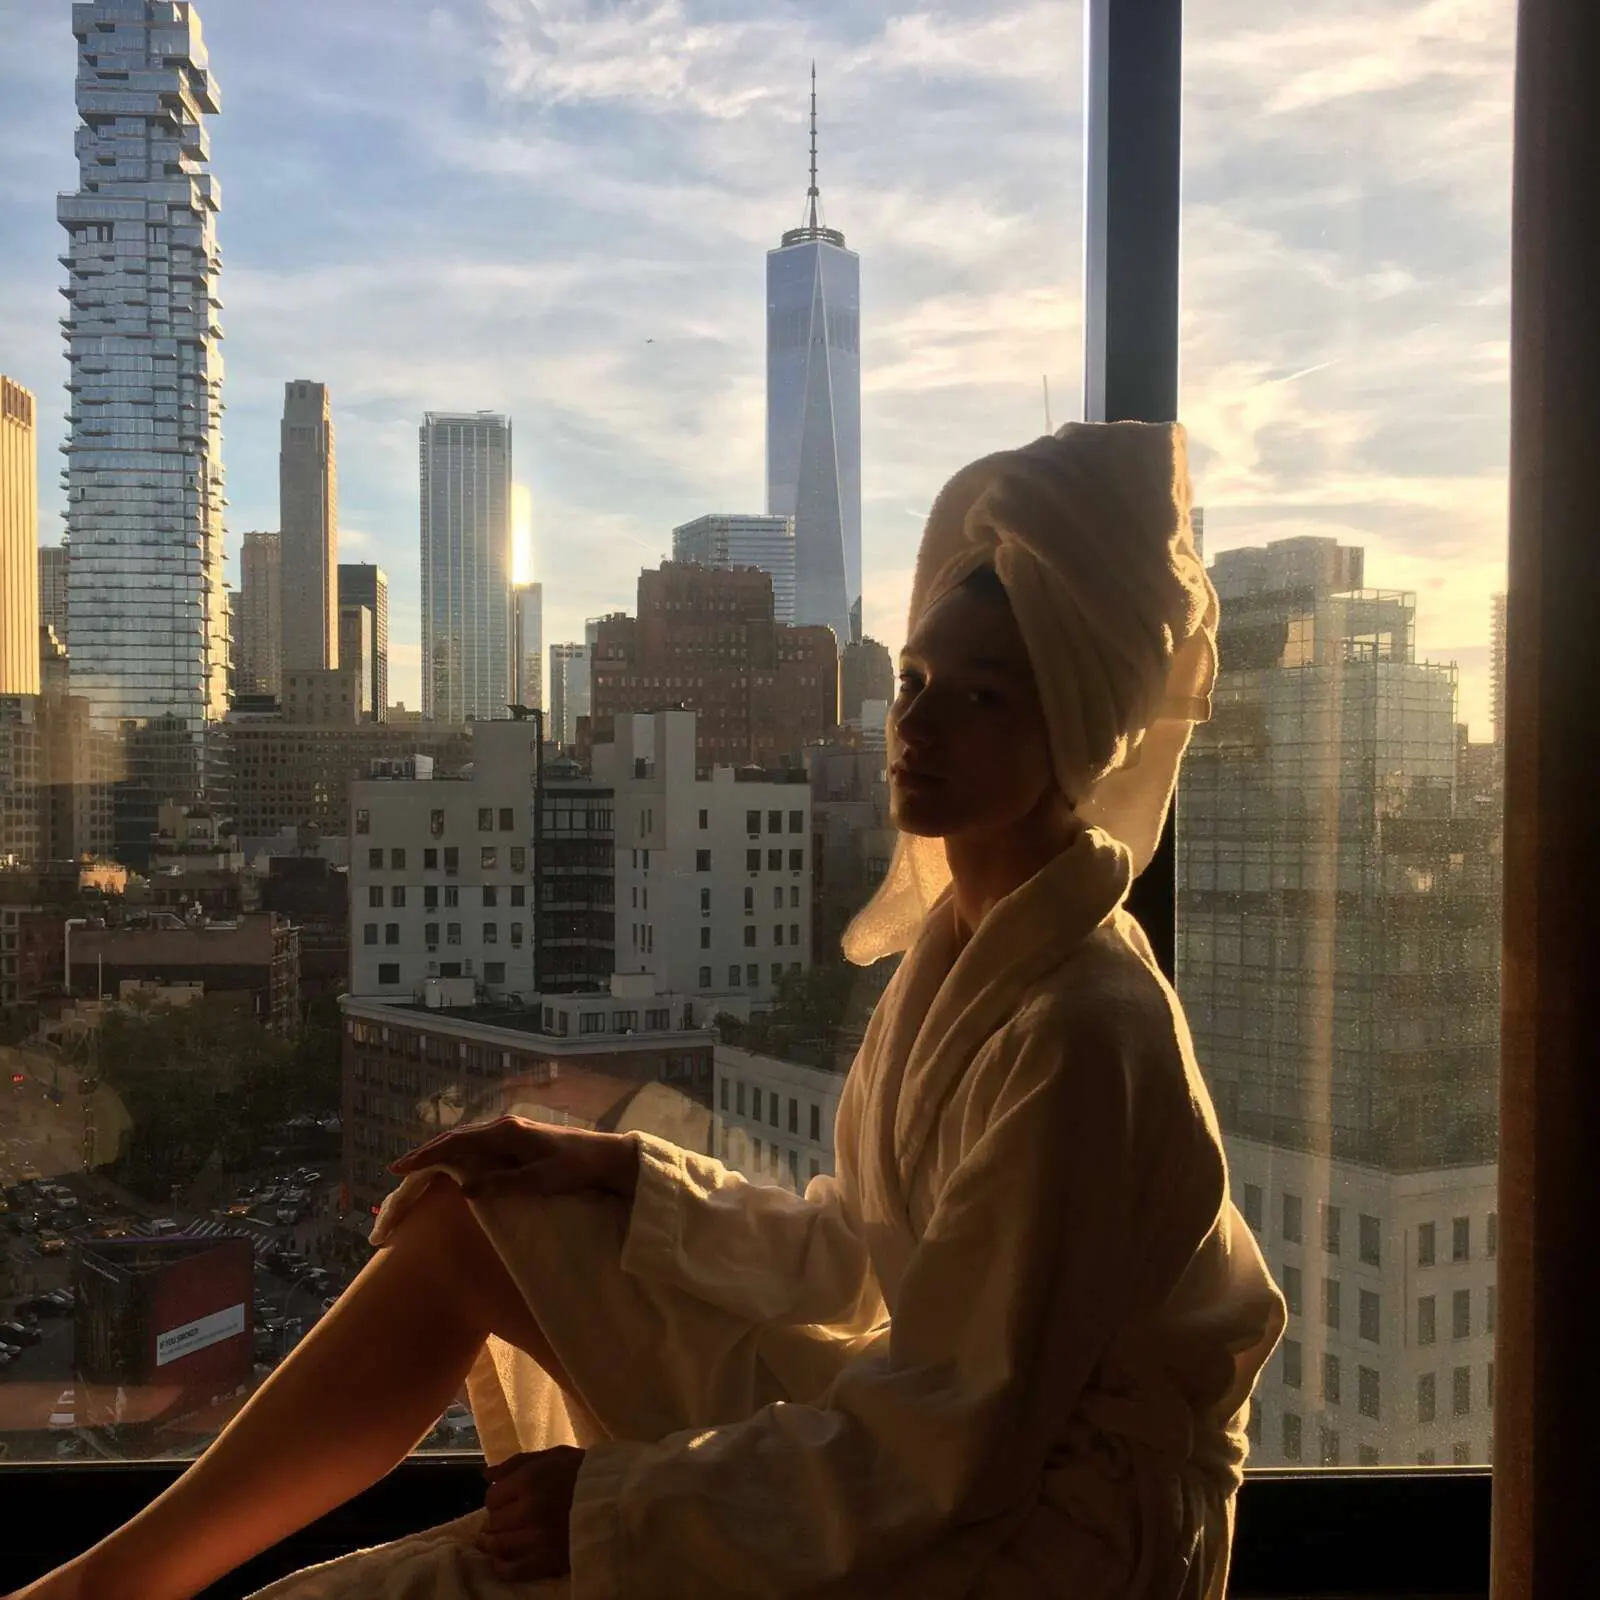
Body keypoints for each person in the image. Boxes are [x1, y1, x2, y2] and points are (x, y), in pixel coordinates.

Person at [11, 422, 1284, 1600]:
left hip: (1045, 1534)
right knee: (474, 1217)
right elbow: (859, 1250)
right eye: (913, 679)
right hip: (931, 1436)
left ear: (1078, 728)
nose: (916, 722)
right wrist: (619, 1170)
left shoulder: (1083, 1028)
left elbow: (959, 1437)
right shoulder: (968, 952)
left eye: (981, 696)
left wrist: (623, 1505)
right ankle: (107, 1588)